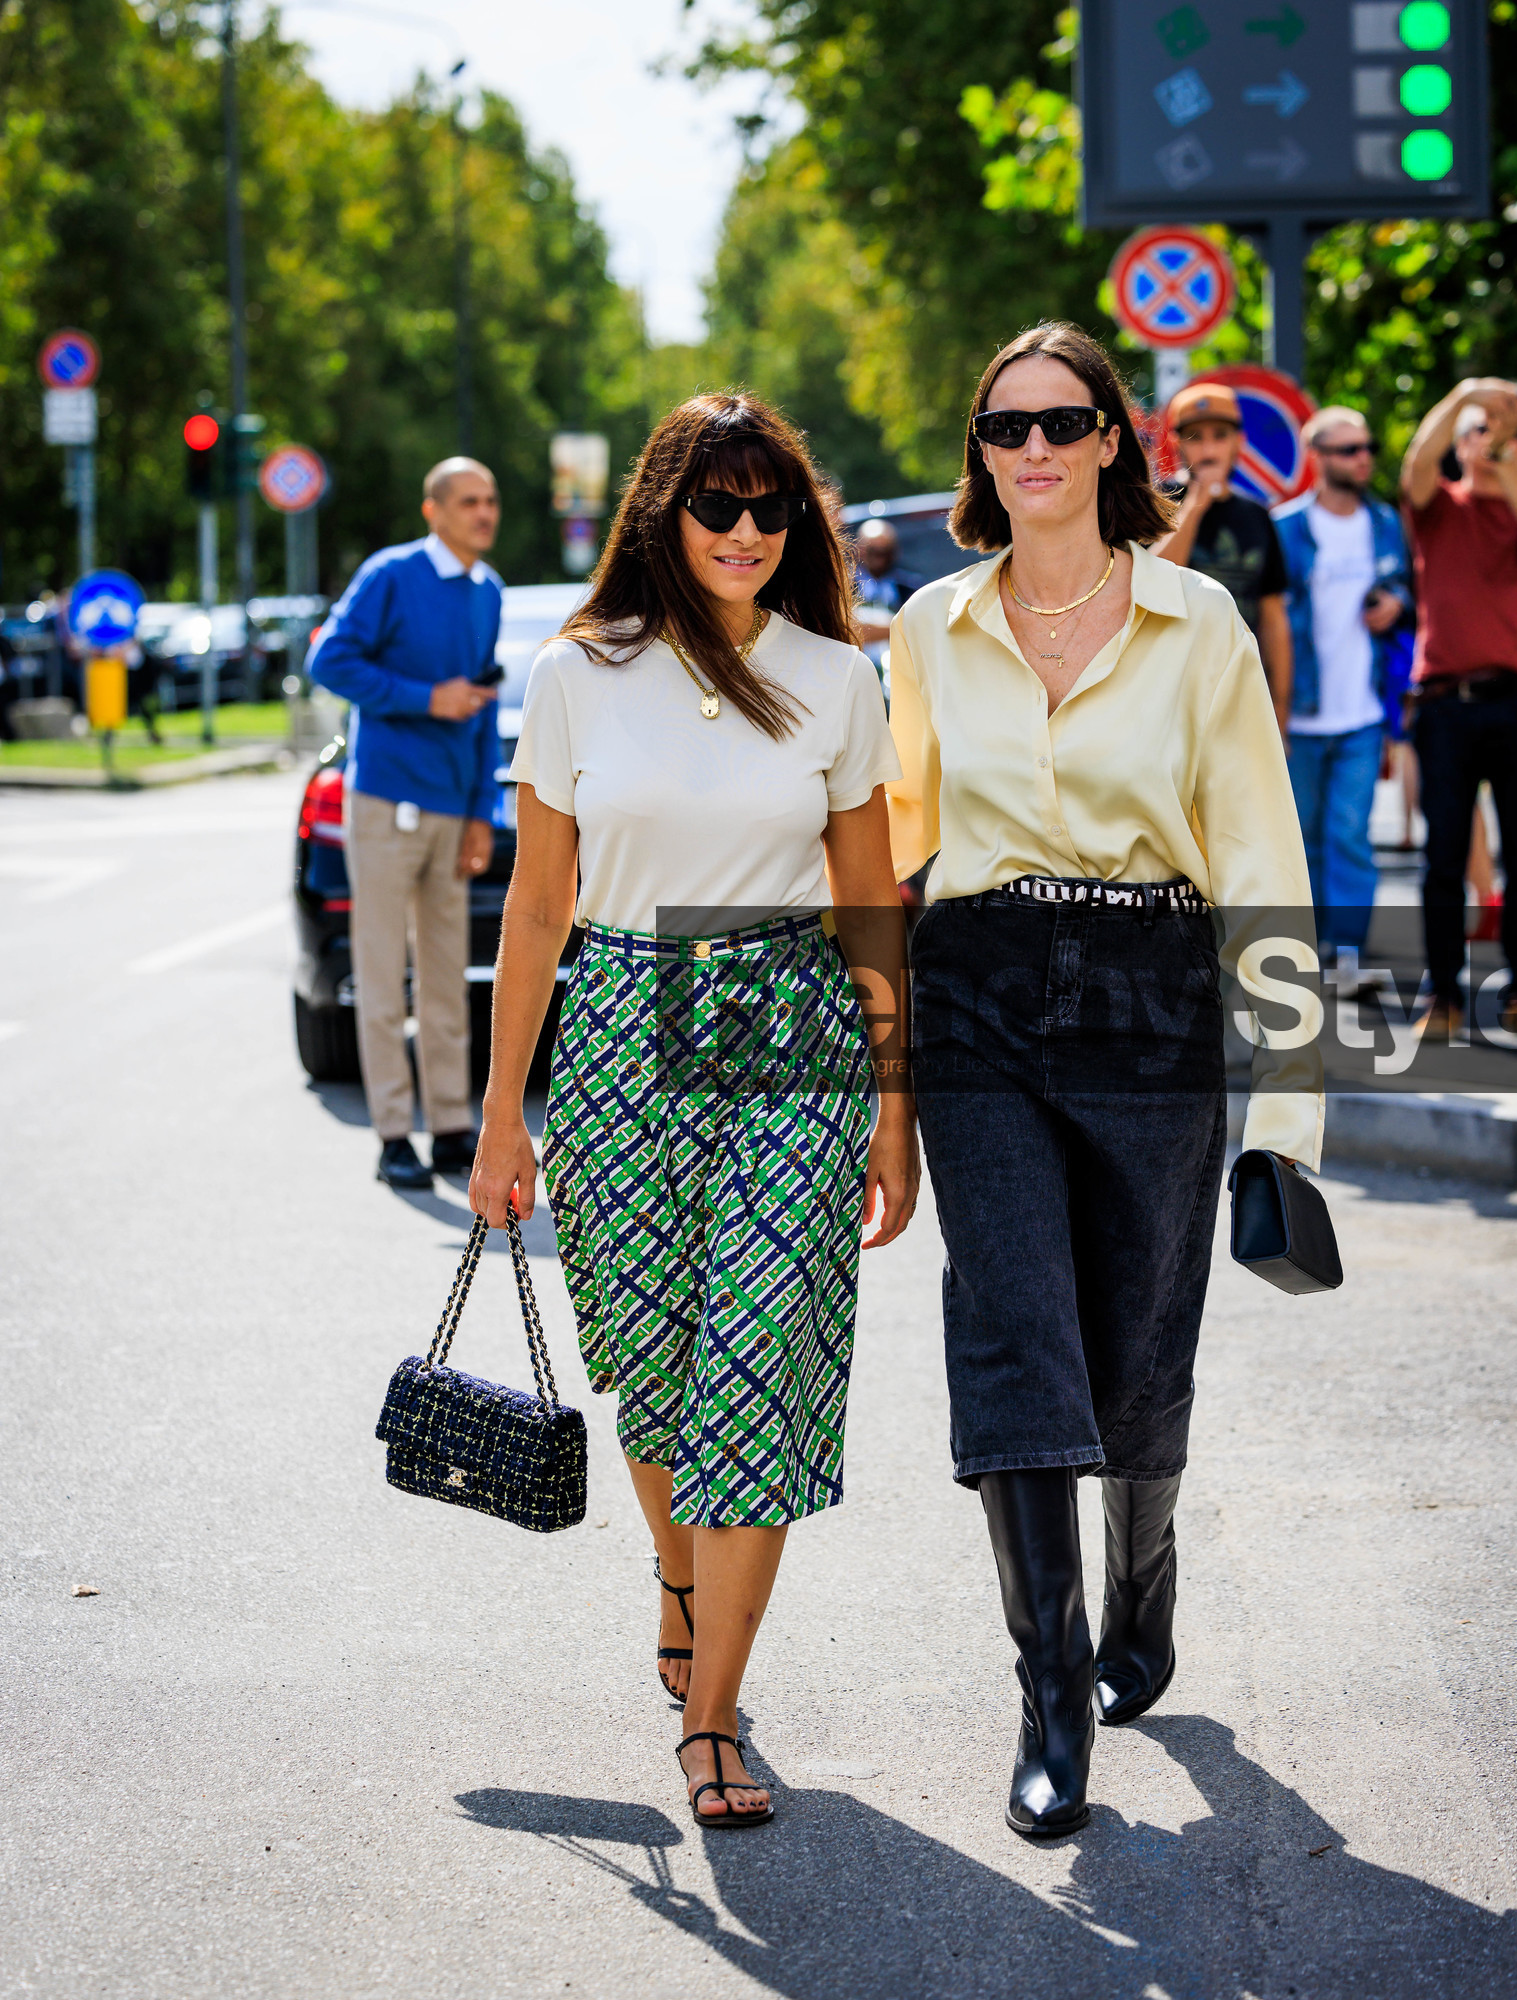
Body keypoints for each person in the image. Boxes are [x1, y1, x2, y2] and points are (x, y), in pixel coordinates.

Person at [887, 323, 1321, 1840]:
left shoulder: (1199, 624)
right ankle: (1051, 1697)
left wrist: (1292, 1109)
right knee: (1015, 1330)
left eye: (1066, 423)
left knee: (1136, 1350)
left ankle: (1146, 1575)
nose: (1036, 450)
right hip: (981, 998)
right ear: (981, 452)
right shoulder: (930, 626)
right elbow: (890, 832)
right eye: (1006, 427)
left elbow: (1262, 855)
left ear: (1113, 442)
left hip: (1153, 990)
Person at [469, 393, 919, 1830]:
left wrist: (892, 1108)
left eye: (770, 507)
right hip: (614, 1030)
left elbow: (869, 905)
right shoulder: (578, 674)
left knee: (752, 1366)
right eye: (716, 505)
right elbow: (538, 906)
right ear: (662, 511)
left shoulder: (842, 677)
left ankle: (712, 1715)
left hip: (790, 1023)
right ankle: (677, 1574)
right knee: (655, 1374)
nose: (743, 531)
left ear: (800, 524)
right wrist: (500, 1116)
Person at [310, 458, 503, 1189]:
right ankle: (395, 1134)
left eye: (490, 502)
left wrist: (483, 812)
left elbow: (482, 703)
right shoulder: (390, 575)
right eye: (469, 502)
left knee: (449, 978)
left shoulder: (488, 591)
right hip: (385, 802)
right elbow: (330, 660)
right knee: (385, 974)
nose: (484, 514)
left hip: (454, 812)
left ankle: (452, 1127)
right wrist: (427, 698)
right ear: (434, 510)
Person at [1400, 379, 1517, 1035]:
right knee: (1442, 855)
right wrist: (1465, 395)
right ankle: (1442, 995)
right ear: (1458, 444)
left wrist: (1505, 454)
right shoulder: (1438, 506)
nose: (1491, 440)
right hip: (1447, 703)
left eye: (1507, 434)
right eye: (1477, 432)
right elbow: (1416, 464)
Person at [1271, 407, 1411, 972]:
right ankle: (1310, 940)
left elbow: (1402, 581)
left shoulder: (1385, 522)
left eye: (1367, 446)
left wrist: (1397, 600)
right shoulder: (1285, 528)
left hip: (1363, 710)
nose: (1364, 458)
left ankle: (1347, 948)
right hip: (1299, 715)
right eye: (1349, 449)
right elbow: (1265, 619)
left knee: (1350, 834)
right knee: (1299, 836)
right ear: (1319, 458)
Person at [1154, 381, 1293, 727]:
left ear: (1239, 443)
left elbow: (1273, 617)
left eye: (1219, 435)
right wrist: (1194, 509)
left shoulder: (1257, 517)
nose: (1209, 449)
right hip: (1170, 695)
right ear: (1176, 445)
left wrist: (1280, 706)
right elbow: (1152, 581)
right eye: (1196, 438)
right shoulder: (1156, 502)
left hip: (1240, 693)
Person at [852, 518, 924, 677]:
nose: (880, 557)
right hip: (856, 670)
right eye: (873, 551)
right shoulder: (844, 588)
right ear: (860, 549)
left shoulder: (911, 588)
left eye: (886, 551)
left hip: (899, 672)